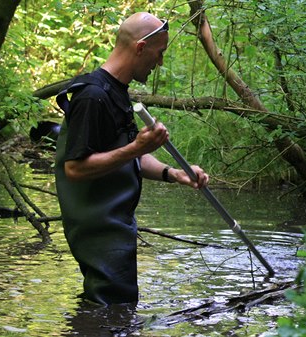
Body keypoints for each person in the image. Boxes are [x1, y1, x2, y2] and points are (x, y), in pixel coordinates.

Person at [55, 12, 209, 305]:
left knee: (111, 310)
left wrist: (173, 173)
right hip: (98, 232)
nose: (160, 62)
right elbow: (74, 169)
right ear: (140, 47)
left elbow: (124, 155)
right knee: (112, 311)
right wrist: (137, 148)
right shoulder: (92, 97)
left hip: (116, 228)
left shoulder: (116, 92)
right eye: (159, 53)